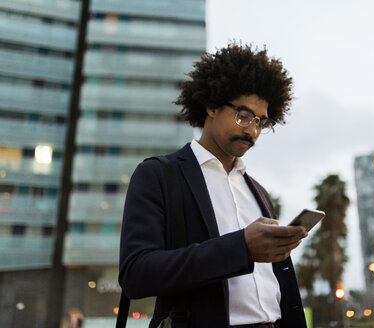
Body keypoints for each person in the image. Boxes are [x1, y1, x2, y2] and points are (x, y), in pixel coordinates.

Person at [119, 43, 308, 328]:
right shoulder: (158, 175)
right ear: (211, 105)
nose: (252, 131)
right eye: (243, 115)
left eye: (261, 122)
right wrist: (240, 248)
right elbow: (136, 274)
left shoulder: (258, 192)